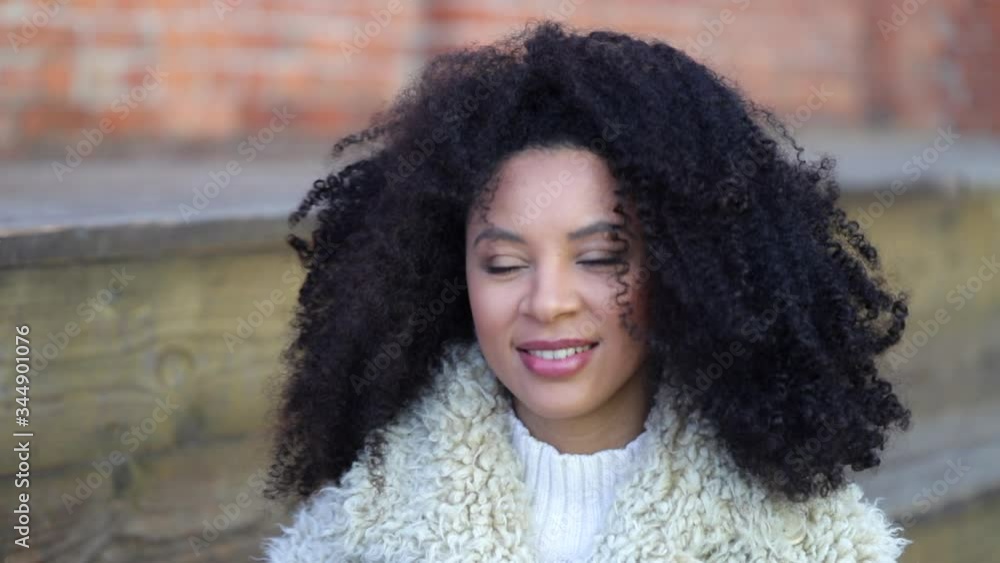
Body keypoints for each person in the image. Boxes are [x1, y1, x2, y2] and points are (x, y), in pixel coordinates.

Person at [260, 19, 912, 562]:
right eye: (504, 263)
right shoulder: (360, 521)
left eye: (600, 256)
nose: (548, 301)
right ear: (447, 273)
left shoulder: (808, 542)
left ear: (688, 271)